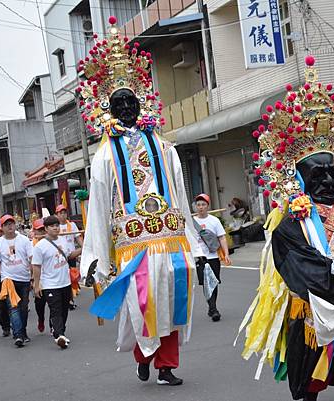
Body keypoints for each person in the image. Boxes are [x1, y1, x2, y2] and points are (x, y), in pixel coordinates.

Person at [237, 56, 334, 401]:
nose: (328, 182)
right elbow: (300, 270)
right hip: (317, 301)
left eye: (333, 174)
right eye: (317, 176)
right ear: (299, 179)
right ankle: (308, 392)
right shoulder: (291, 225)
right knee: (311, 354)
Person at [79, 16, 203, 387]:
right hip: (133, 247)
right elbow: (99, 209)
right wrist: (95, 258)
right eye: (119, 105)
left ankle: (166, 365)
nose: (127, 110)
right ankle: (143, 354)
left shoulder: (165, 148)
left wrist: (194, 243)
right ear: (109, 110)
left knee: (173, 303)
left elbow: (180, 196)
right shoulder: (103, 157)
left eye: (131, 102)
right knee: (145, 305)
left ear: (141, 104)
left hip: (171, 242)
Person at [32, 216, 79, 349]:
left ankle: (60, 331)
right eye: (52, 226)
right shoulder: (40, 246)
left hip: (65, 282)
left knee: (64, 309)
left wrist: (84, 248)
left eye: (57, 225)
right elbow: (36, 266)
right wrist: (37, 285)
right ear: (46, 229)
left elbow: (69, 255)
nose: (56, 228)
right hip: (50, 284)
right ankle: (59, 335)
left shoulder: (63, 240)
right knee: (56, 310)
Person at [0, 214, 33, 348]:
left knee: (24, 308)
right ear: (2, 227)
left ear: (15, 225)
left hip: (24, 279)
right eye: (6, 224)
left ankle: (22, 330)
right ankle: (19, 335)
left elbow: (32, 259)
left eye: (11, 223)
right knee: (13, 308)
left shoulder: (24, 240)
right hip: (8, 280)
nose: (10, 226)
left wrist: (34, 277)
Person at [193, 193, 231, 322]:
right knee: (206, 283)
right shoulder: (191, 222)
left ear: (208, 206)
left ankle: (212, 307)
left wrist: (226, 254)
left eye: (203, 204)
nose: (201, 207)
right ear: (195, 207)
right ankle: (213, 309)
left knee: (213, 283)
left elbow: (222, 237)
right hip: (199, 257)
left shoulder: (214, 221)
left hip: (213, 256)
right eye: (198, 205)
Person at [55, 205, 82, 304]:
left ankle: (71, 296)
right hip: (60, 256)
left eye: (64, 213)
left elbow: (78, 237)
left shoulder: (72, 225)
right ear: (56, 215)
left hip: (72, 254)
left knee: (72, 276)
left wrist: (84, 248)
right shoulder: (55, 226)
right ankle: (68, 299)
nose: (63, 215)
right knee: (64, 276)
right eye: (60, 213)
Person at [31, 219, 49, 333]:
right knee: (40, 304)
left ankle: (54, 326)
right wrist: (32, 279)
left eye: (43, 230)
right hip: (38, 279)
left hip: (51, 278)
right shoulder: (30, 245)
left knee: (54, 304)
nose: (41, 233)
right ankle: (41, 319)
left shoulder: (51, 242)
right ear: (34, 232)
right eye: (39, 230)